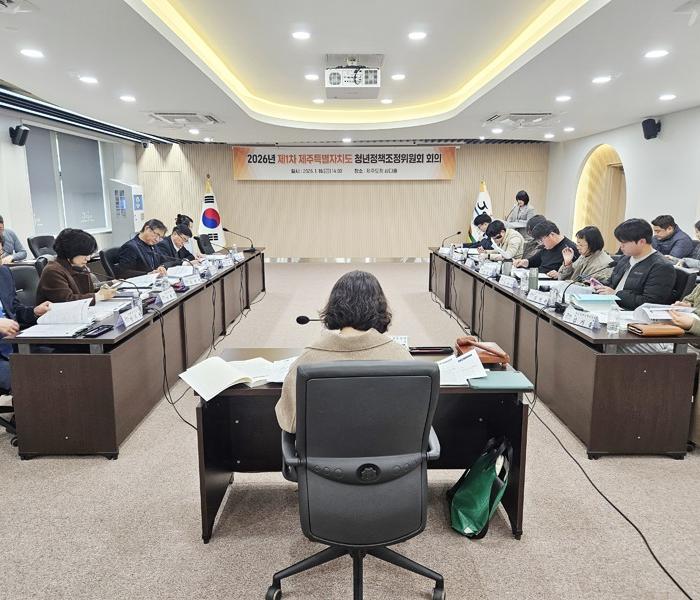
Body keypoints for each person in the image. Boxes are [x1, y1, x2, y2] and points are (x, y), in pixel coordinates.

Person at [275, 270, 412, 433]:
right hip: (388, 448)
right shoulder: (401, 357)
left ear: (334, 307)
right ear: (380, 308)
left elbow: (290, 422)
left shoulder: (307, 361)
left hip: (324, 449)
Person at [593, 218, 675, 309]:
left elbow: (650, 302)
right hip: (610, 306)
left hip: (629, 312)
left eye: (624, 242)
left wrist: (616, 294)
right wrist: (597, 286)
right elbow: (611, 284)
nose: (621, 246)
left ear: (641, 242)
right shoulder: (625, 258)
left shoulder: (661, 267)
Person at [0, 266, 51, 389]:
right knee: (27, 379)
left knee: (59, 363)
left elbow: (14, 309)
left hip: (14, 343)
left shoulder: (4, 272)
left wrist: (34, 312)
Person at [36, 229, 116, 305]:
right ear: (71, 252)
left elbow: (87, 289)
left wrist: (112, 283)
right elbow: (67, 300)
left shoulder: (77, 266)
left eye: (89, 254)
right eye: (85, 254)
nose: (88, 259)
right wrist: (98, 296)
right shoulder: (52, 271)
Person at [513, 220, 579, 274]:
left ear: (552, 235)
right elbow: (533, 261)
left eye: (541, 240)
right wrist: (523, 262)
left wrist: (558, 274)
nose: (541, 243)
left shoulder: (570, 249)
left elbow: (573, 274)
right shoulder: (547, 247)